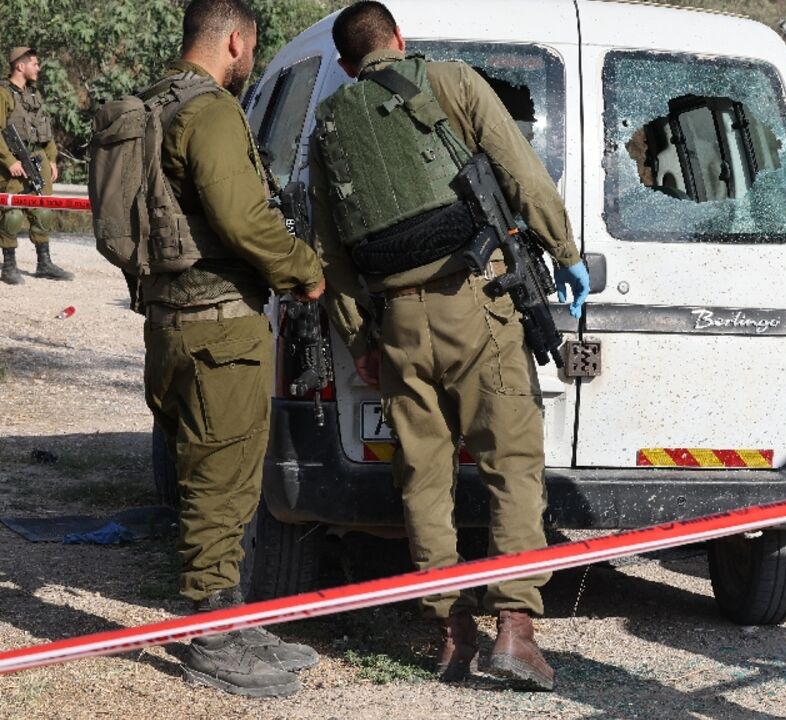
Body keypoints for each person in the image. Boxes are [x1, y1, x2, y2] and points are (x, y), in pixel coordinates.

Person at [308, 1, 590, 692]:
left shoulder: (330, 126)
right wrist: (564, 248)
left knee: (423, 477)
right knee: (512, 462)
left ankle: (451, 635)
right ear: (400, 42)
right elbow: (522, 172)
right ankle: (515, 631)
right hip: (478, 304)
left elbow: (331, 254)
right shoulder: (453, 82)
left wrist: (360, 337)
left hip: (397, 323)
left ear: (347, 63)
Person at [120, 0, 326, 698]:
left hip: (170, 323)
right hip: (218, 332)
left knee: (208, 474)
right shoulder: (209, 111)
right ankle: (212, 632)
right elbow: (243, 216)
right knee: (223, 483)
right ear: (234, 41)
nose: (248, 64)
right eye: (250, 50)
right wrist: (305, 269)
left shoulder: (153, 103)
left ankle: (233, 618)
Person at [0, 47, 73, 284]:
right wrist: (10, 161)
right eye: (35, 64)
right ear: (20, 66)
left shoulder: (34, 95)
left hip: (37, 160)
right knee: (11, 215)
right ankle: (9, 266)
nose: (38, 68)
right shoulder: (3, 94)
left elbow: (45, 131)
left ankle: (44, 263)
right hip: (11, 164)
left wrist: (51, 158)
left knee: (42, 210)